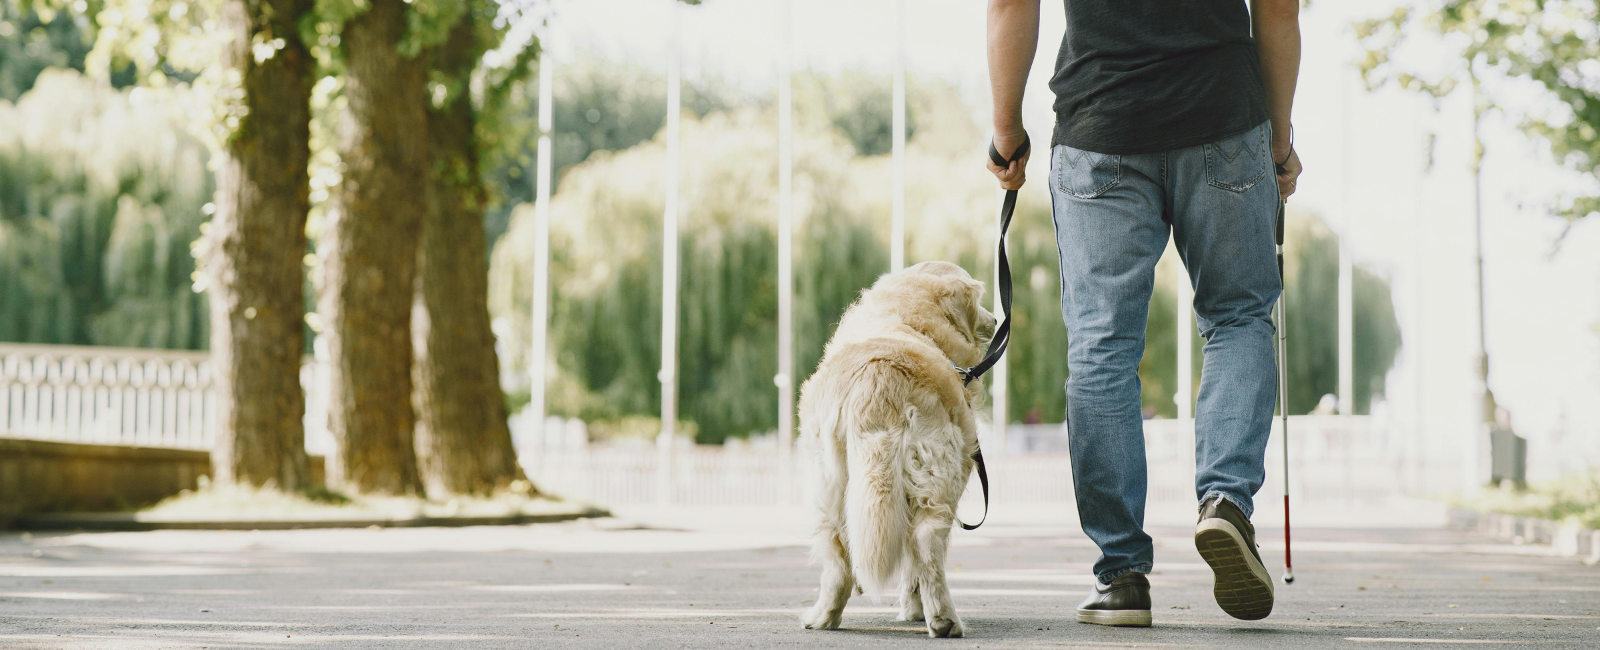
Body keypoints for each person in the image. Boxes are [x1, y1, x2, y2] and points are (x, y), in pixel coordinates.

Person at [985, 0, 1304, 626]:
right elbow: (1280, 8)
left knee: (1102, 345)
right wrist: (1280, 135)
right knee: (1238, 317)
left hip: (1100, 124)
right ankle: (1225, 501)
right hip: (1223, 118)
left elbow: (1009, 4)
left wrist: (1006, 131)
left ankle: (1122, 573)